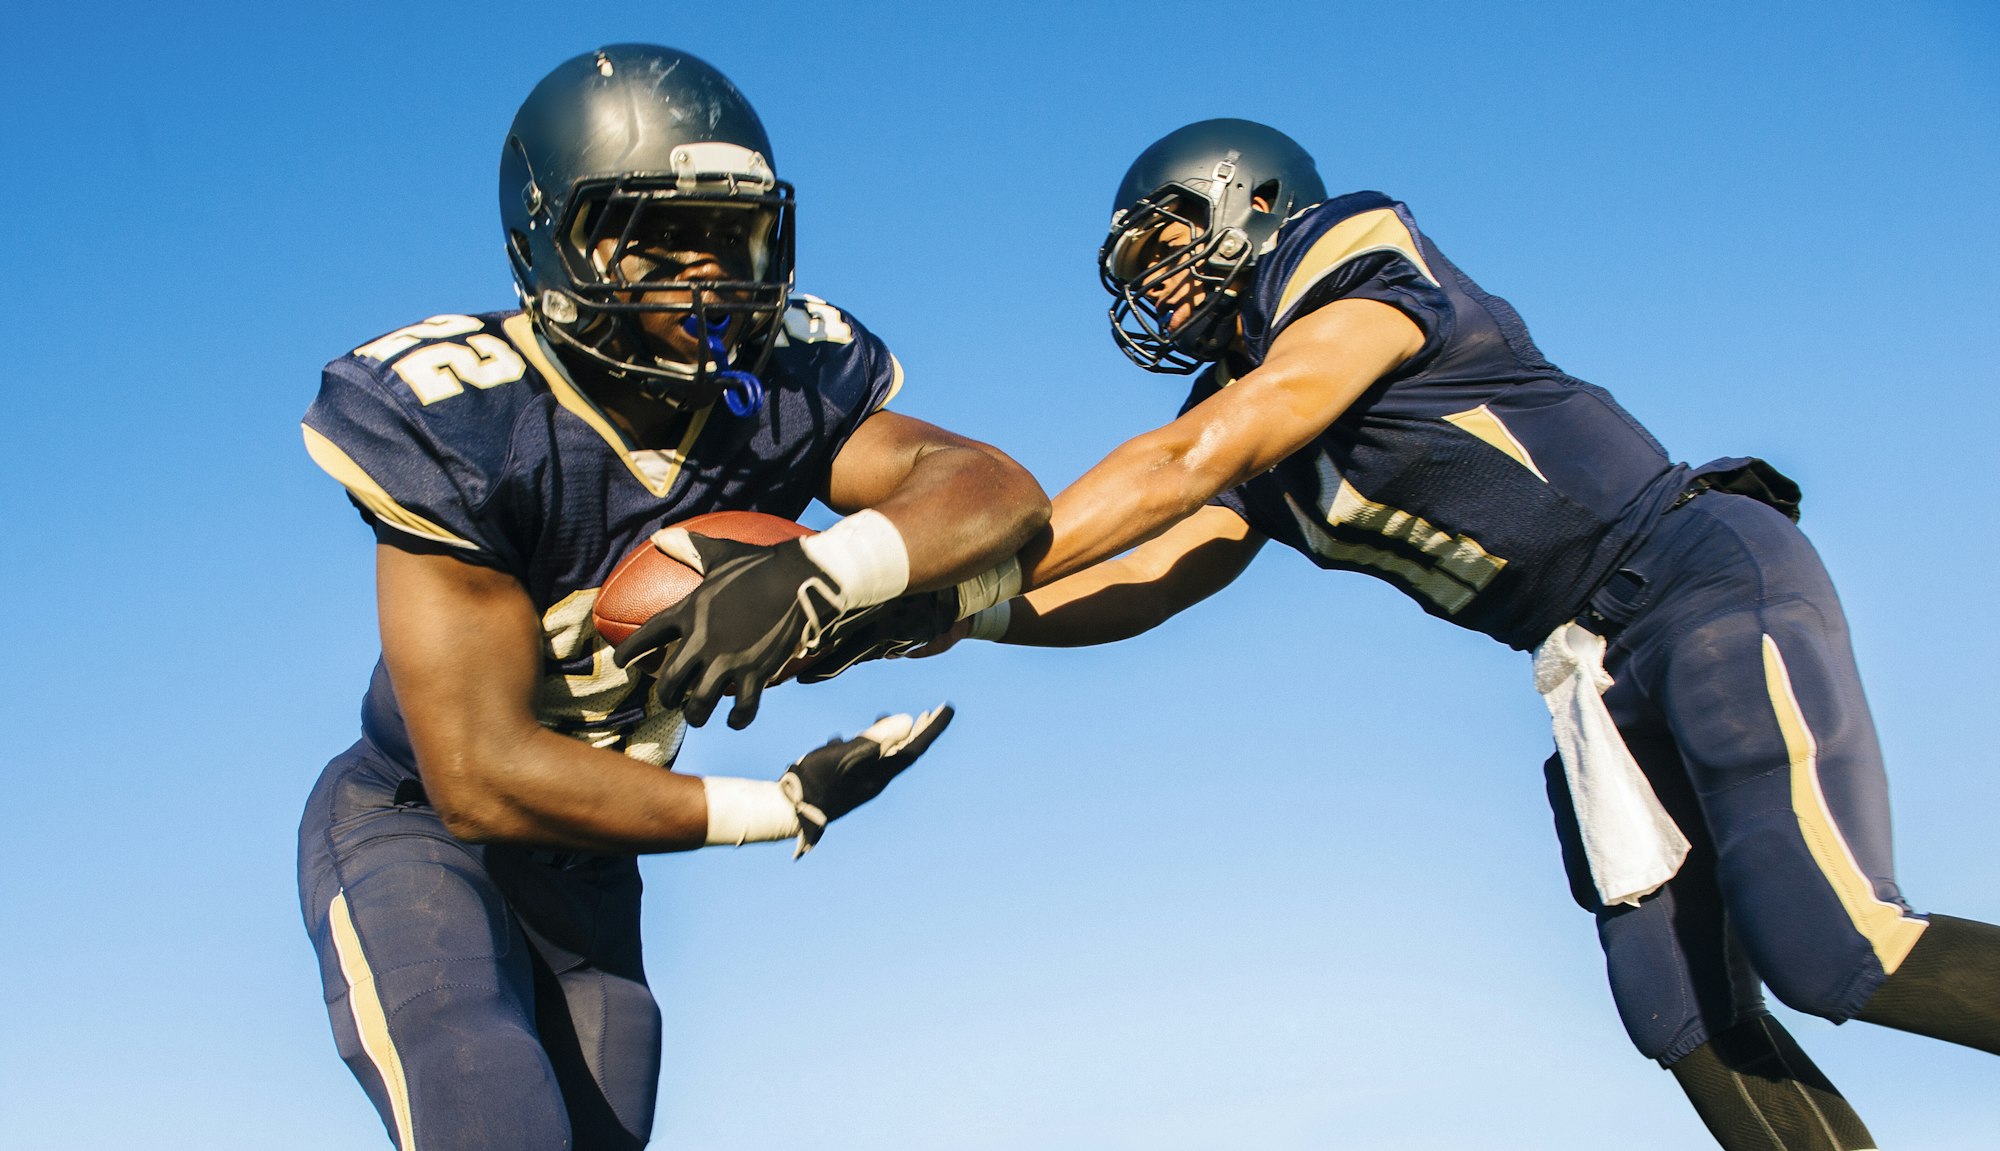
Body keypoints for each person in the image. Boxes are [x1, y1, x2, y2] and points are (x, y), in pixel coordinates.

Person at [693, 119, 2000, 1150]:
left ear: (1251, 201)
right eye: (1140, 271)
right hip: (1585, 664)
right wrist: (936, 616)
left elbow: (1195, 456)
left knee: (1830, 943)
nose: (1157, 284)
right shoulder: (1250, 417)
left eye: (1166, 245)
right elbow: (1151, 579)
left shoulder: (1351, 255)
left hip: (1691, 579)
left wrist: (877, 574)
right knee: (1678, 1014)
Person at [295, 44, 1048, 1151]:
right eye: (659, 235)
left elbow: (992, 489)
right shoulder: (467, 416)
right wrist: (780, 805)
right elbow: (481, 776)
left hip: (593, 862)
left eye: (730, 233)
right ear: (554, 243)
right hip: (419, 828)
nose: (708, 270)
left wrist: (826, 570)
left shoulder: (783, 386)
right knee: (489, 1101)